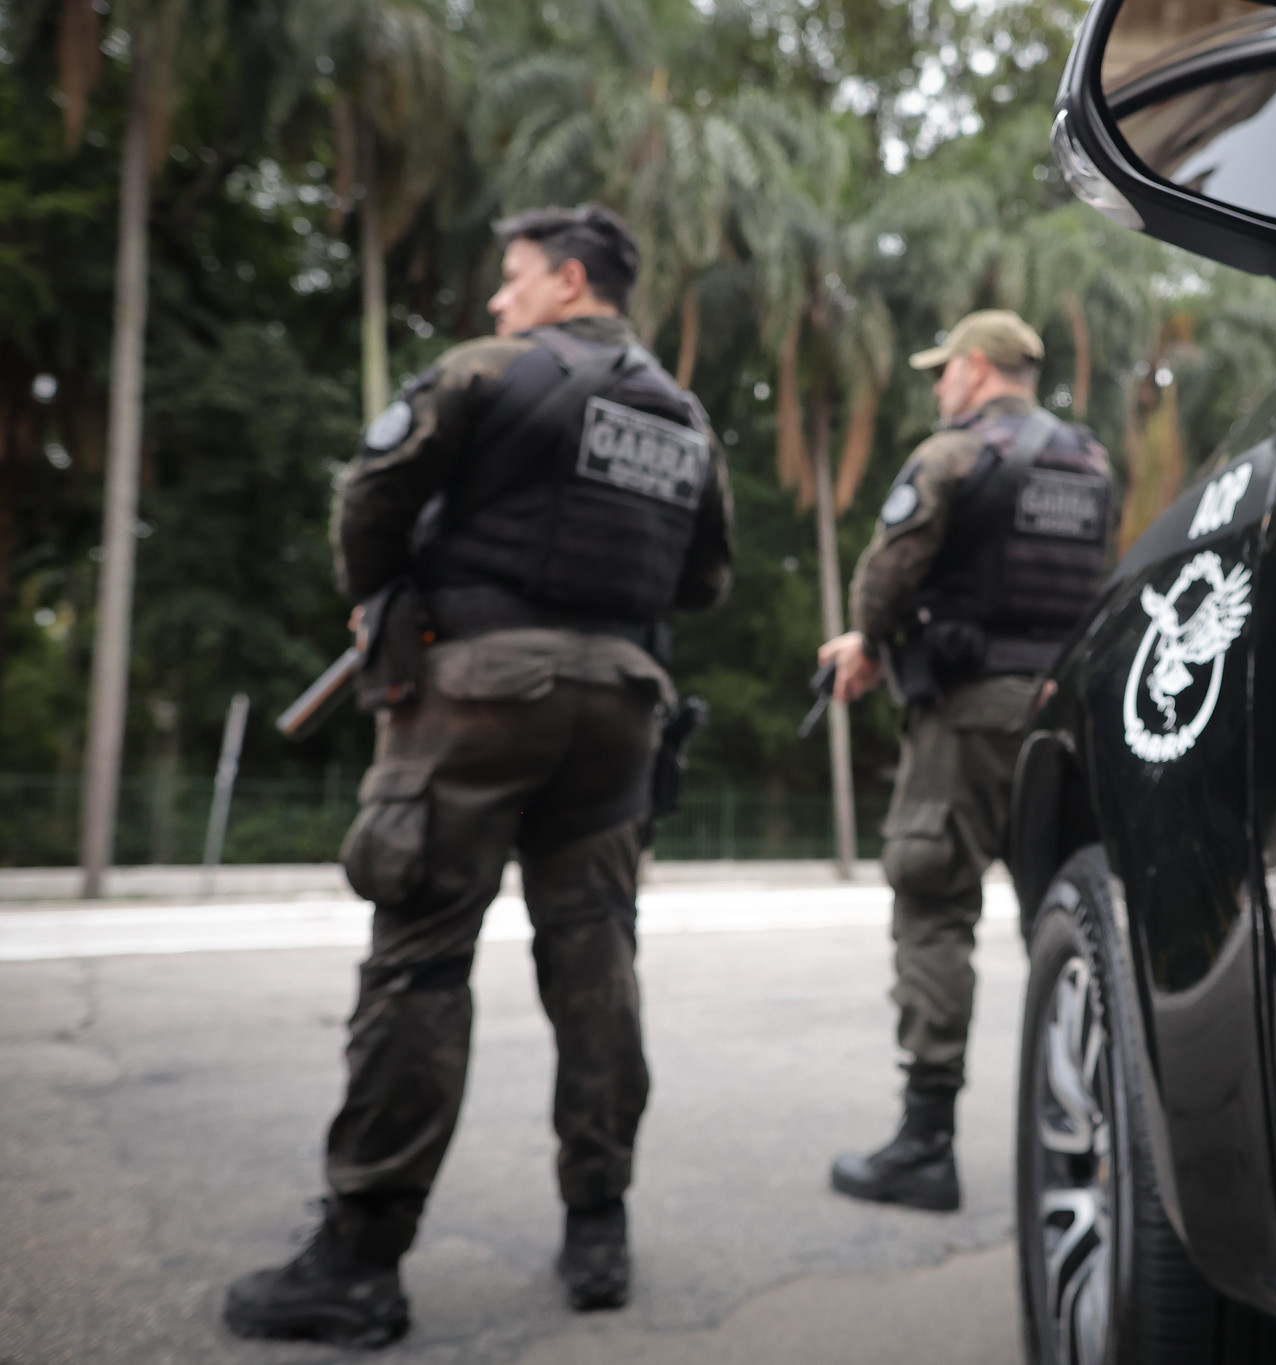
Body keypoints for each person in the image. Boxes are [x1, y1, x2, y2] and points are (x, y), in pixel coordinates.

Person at [223, 204, 733, 1347]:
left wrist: (385, 597)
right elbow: (701, 581)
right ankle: (597, 1231)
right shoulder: (684, 417)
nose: (498, 301)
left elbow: (369, 494)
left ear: (565, 280)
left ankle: (359, 1260)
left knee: (419, 961)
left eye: (510, 280)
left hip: (480, 698)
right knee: (597, 960)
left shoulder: (487, 371)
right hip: (623, 707)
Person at [818, 310, 1117, 1211]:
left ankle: (926, 1142)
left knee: (933, 901)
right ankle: (1094, 1127)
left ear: (978, 368)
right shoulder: (1090, 461)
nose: (939, 385)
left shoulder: (953, 455)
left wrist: (867, 641)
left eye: (944, 370)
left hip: (968, 709)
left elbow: (888, 568)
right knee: (1067, 917)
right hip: (1064, 715)